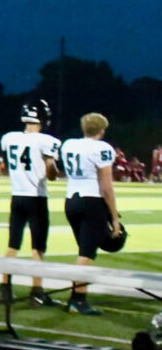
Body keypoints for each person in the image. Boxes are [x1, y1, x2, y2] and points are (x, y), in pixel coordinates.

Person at [0, 99, 61, 307]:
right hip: (36, 197)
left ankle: (5, 287)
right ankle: (37, 290)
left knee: (12, 245)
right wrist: (51, 166)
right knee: (37, 249)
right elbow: (51, 175)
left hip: (16, 196)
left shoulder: (9, 138)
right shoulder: (47, 141)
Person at [60, 112, 121, 316]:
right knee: (87, 255)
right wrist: (115, 217)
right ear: (102, 130)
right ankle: (77, 300)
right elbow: (107, 187)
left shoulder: (69, 144)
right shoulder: (102, 148)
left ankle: (78, 296)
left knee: (84, 251)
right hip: (91, 201)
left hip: (71, 201)